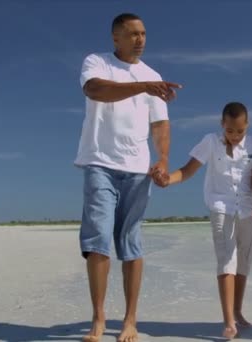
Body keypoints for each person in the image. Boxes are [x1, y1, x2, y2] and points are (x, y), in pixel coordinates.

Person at [74, 13, 182, 342]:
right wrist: (142, 86)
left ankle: (130, 320)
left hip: (138, 169)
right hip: (99, 163)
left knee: (131, 243)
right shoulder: (97, 62)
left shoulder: (153, 76)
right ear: (116, 38)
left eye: (144, 33)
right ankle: (98, 318)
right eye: (133, 34)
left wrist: (162, 159)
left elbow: (160, 125)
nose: (140, 39)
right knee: (98, 242)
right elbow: (95, 91)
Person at [162, 102, 252, 339]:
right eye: (230, 131)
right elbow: (188, 170)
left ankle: (238, 311)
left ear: (247, 125)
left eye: (240, 131)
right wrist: (168, 179)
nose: (235, 136)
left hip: (248, 210)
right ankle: (228, 321)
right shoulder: (210, 141)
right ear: (222, 125)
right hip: (221, 206)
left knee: (244, 262)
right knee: (226, 259)